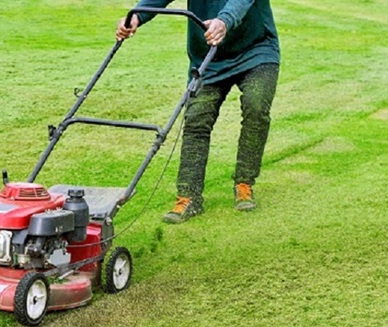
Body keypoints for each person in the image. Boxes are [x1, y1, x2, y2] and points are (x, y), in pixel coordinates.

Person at [116, 0, 280, 223]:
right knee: (195, 121)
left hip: (256, 49)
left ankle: (244, 182)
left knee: (256, 106)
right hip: (209, 56)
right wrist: (137, 15)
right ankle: (189, 197)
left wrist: (224, 21)